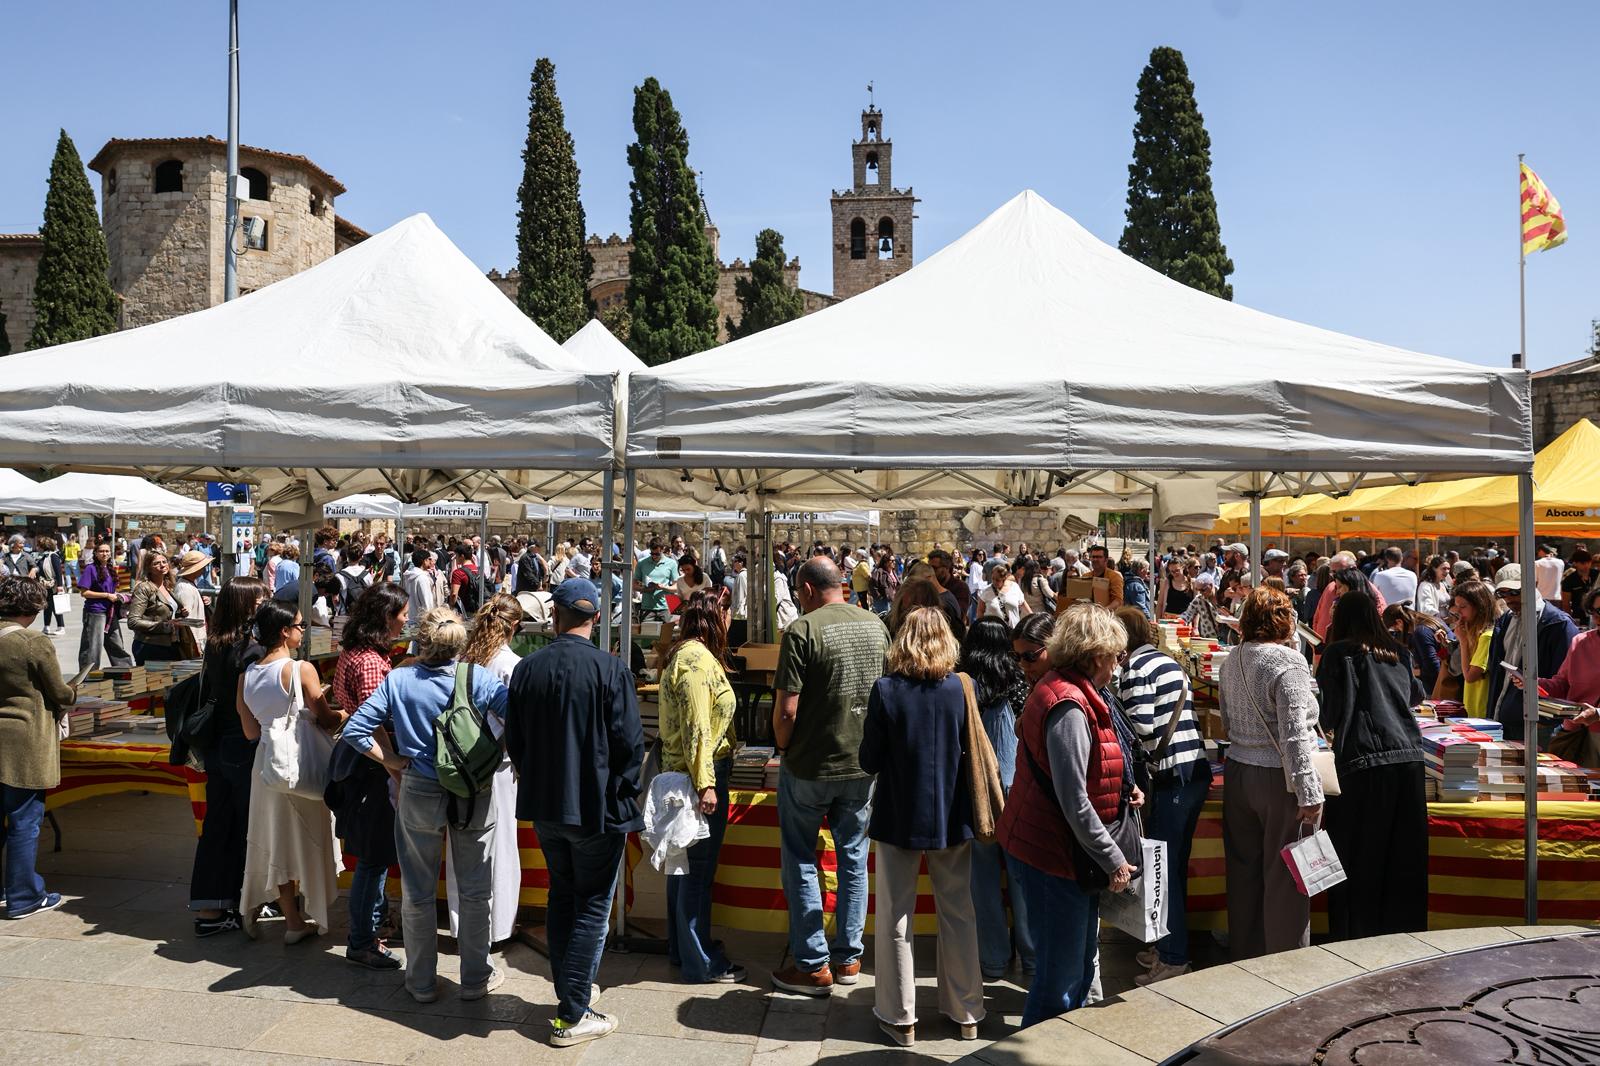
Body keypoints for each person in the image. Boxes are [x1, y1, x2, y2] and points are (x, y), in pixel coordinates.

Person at [343, 606, 508, 1002]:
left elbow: (355, 730)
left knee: (417, 891)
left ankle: (420, 982)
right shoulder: (479, 677)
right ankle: (474, 978)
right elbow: (517, 717)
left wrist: (392, 762)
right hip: (472, 790)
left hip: (418, 786)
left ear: (422, 639)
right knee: (474, 890)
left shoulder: (399, 680)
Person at [506, 579, 642, 1046]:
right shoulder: (610, 668)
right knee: (590, 906)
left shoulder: (527, 668)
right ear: (596, 618)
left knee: (564, 897)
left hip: (548, 806)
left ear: (556, 616)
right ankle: (572, 1011)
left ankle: (572, 990)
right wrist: (624, 790)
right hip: (594, 809)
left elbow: (516, 741)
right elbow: (629, 743)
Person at [995, 603, 1136, 1026]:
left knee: (1076, 967)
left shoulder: (1066, 690)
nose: (1117, 665)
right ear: (1095, 655)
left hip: (1055, 851)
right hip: (1051, 855)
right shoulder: (1068, 704)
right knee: (1059, 980)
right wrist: (1113, 859)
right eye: (1115, 656)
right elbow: (1074, 799)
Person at [860, 608, 984, 1047]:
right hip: (952, 815)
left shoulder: (887, 690)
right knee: (959, 912)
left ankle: (900, 1017)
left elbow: (868, 760)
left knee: (896, 915)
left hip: (899, 815)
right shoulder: (960, 688)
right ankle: (966, 1012)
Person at [770, 557, 889, 997]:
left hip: (810, 764)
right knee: (854, 859)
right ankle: (849, 957)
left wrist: (783, 747)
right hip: (861, 764)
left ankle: (813, 964)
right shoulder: (876, 626)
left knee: (801, 857)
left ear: (804, 589)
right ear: (842, 584)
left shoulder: (802, 630)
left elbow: (787, 709)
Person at [1218, 587, 1324, 960]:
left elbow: (1226, 719)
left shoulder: (1233, 658)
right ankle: (1287, 965)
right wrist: (1308, 791)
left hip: (1239, 771)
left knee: (1244, 872)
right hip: (1279, 779)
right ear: (1284, 620)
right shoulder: (1288, 661)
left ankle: (1245, 959)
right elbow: (1294, 732)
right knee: (1287, 878)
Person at [1317, 588, 1427, 940]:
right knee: (1404, 859)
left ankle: (1356, 940)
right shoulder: (1398, 652)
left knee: (1358, 860)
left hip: (1362, 762)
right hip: (1409, 757)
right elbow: (1415, 696)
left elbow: (1328, 713)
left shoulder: (1338, 654)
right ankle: (1401, 938)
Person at [1113, 606, 1210, 985]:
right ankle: (1166, 944)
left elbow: (1142, 733)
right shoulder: (1165, 662)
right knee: (1173, 867)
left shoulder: (1135, 670)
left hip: (1171, 776)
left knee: (1163, 871)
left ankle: (1173, 958)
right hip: (1194, 770)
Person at [238, 601, 345, 942]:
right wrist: (345, 713)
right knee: (310, 837)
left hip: (267, 766)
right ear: (284, 631)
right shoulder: (301, 670)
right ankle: (309, 914)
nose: (303, 630)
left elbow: (251, 733)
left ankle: (292, 920)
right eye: (300, 625)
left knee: (277, 841)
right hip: (301, 764)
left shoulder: (246, 675)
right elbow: (327, 720)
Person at [657, 591, 745, 984]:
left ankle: (685, 947)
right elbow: (697, 727)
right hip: (696, 778)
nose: (730, 618)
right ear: (713, 616)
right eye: (726, 611)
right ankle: (699, 959)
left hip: (690, 774)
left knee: (684, 869)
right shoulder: (694, 659)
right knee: (695, 870)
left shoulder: (691, 655)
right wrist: (706, 783)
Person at [328, 583, 408, 968]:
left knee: (370, 855)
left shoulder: (353, 652)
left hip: (357, 759)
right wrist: (392, 764)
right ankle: (362, 939)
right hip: (371, 763)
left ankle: (374, 924)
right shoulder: (373, 663)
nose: (406, 620)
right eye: (402, 613)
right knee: (374, 858)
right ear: (385, 618)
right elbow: (372, 722)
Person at [188, 576, 270, 937]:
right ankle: (242, 902)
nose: (265, 602)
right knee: (244, 826)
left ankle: (210, 907)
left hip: (217, 745)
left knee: (218, 824)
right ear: (248, 605)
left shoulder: (217, 643)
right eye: (260, 598)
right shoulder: (249, 650)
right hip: (241, 744)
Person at [958, 617, 1035, 980]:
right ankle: (1032, 959)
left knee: (983, 878)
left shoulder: (963, 683)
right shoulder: (1019, 679)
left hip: (977, 788)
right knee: (1021, 876)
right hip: (1016, 785)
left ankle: (991, 959)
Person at [0, 577, 77, 919]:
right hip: (24, 742)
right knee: (24, 822)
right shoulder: (33, 641)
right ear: (32, 609)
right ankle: (24, 896)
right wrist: (73, 692)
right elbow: (60, 693)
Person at [456, 594, 526, 947]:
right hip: (497, 765)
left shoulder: (461, 659)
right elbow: (517, 722)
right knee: (499, 845)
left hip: (460, 763)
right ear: (514, 627)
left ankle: (463, 923)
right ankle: (497, 926)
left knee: (464, 843)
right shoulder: (511, 665)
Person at [1486, 563, 1577, 742]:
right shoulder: (1506, 619)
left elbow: (1564, 680)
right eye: (1502, 593)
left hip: (1539, 724)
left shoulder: (1558, 624)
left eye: (1514, 592)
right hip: (1504, 719)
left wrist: (1546, 719)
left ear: (1533, 584)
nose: (1508, 599)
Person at [77, 540, 132, 670]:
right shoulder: (90, 568)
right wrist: (106, 595)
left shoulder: (110, 569)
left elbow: (111, 590)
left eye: (107, 551)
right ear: (95, 553)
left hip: (110, 612)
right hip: (95, 612)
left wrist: (120, 596)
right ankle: (89, 674)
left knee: (116, 643)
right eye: (101, 551)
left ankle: (125, 670)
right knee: (93, 647)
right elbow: (84, 593)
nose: (104, 553)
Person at [128, 551, 184, 665]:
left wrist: (181, 613)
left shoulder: (168, 586)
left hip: (171, 644)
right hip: (150, 646)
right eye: (157, 563)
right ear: (148, 568)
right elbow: (133, 622)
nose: (162, 565)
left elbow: (167, 613)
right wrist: (165, 626)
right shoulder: (144, 588)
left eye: (164, 562)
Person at [1452, 579, 1497, 715]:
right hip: (1471, 707)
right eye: (1456, 606)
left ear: (1479, 606)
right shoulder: (1474, 632)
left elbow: (1470, 676)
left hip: (1480, 709)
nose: (1458, 611)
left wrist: (1463, 642)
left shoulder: (1486, 636)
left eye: (1463, 607)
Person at [1384, 604, 1449, 696]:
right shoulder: (1433, 621)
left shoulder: (1420, 632)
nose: (1398, 632)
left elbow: (1433, 666)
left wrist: (1415, 672)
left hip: (1438, 689)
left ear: (1399, 622)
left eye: (1395, 628)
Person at [172, 550, 211, 654]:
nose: (204, 569)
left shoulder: (189, 584)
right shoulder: (184, 588)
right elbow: (187, 620)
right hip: (194, 640)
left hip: (197, 638)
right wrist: (195, 643)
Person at [634, 539, 679, 623]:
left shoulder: (671, 563)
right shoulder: (641, 563)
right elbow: (633, 585)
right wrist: (645, 589)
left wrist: (663, 587)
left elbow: (676, 587)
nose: (654, 556)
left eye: (657, 554)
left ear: (662, 550)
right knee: (647, 635)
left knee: (666, 635)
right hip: (647, 607)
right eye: (652, 553)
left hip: (665, 607)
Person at [32, 537, 65, 636]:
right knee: (46, 606)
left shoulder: (53, 556)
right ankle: (46, 626)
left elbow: (58, 572)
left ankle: (61, 627)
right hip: (45, 585)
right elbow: (40, 568)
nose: (37, 547)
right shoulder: (42, 556)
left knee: (56, 606)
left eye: (39, 545)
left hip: (54, 585)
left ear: (43, 546)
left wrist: (60, 586)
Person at [979, 563, 1027, 629]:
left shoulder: (1014, 587)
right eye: (993, 578)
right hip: (993, 632)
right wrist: (980, 627)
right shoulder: (986, 591)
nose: (994, 582)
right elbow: (980, 610)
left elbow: (1023, 603)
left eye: (998, 580)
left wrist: (1032, 616)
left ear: (1004, 578)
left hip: (1012, 630)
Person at [401, 548, 437, 627]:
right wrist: (430, 621)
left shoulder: (409, 576)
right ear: (424, 561)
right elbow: (427, 602)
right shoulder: (422, 578)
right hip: (420, 622)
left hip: (411, 619)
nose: (431, 561)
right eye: (429, 559)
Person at [1417, 555, 1452, 622]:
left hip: (1447, 625)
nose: (1447, 571)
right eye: (1444, 568)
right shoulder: (1425, 586)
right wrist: (1441, 619)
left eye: (1448, 569)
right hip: (1434, 625)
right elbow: (1426, 608)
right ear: (1434, 568)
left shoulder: (1443, 584)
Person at [869, 547, 899, 617]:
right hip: (883, 601)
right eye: (892, 561)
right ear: (886, 562)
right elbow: (872, 584)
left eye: (894, 560)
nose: (894, 562)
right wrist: (878, 596)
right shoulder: (879, 572)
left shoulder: (893, 572)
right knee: (884, 619)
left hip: (892, 600)